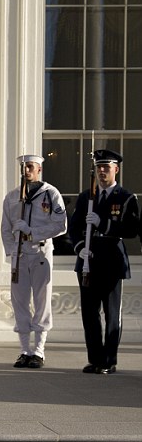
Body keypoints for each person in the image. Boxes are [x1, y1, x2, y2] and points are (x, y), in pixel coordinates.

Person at [70, 150, 140, 374]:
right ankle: (95, 359)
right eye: (99, 167)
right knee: (89, 314)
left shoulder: (126, 197)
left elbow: (131, 229)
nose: (102, 171)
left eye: (106, 167)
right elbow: (73, 228)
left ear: (116, 169)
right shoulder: (85, 197)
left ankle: (109, 360)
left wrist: (104, 224)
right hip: (88, 262)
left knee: (111, 314)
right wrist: (80, 248)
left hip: (111, 261)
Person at [0, 154, 67, 369]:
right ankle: (24, 350)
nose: (26, 171)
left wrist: (33, 232)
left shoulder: (50, 193)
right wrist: (12, 250)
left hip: (39, 254)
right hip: (20, 255)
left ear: (39, 169)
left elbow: (60, 224)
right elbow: (5, 228)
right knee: (19, 301)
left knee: (41, 301)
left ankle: (39, 350)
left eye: (30, 167)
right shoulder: (12, 197)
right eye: (23, 167)